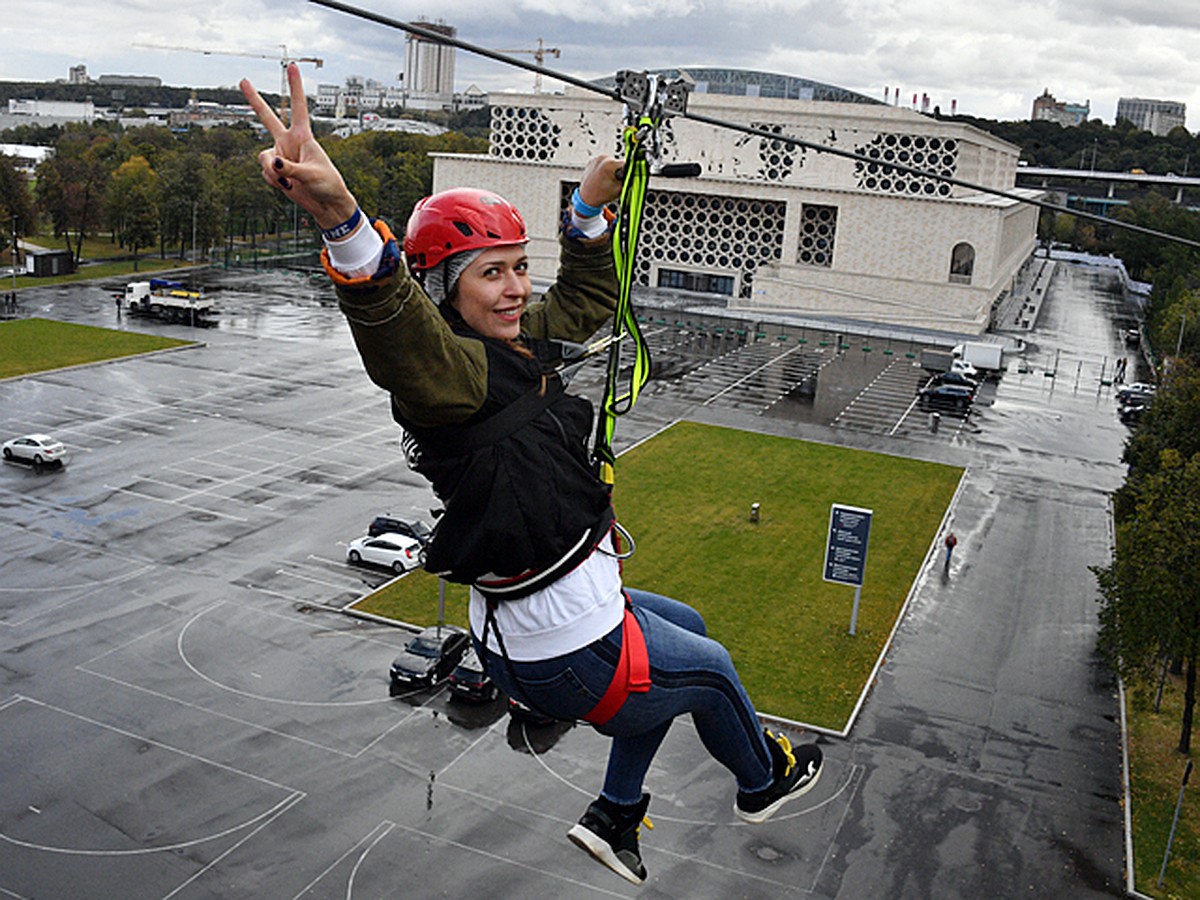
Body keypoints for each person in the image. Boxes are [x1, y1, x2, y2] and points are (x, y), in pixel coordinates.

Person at [242, 64, 822, 887]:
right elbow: (391, 319)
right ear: (446, 287)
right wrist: (341, 217)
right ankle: (765, 782)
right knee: (713, 668)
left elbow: (584, 306)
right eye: (492, 272)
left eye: (520, 265)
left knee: (682, 619)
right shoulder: (448, 376)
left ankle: (616, 816)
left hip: (535, 626)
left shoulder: (505, 351)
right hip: (565, 651)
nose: (516, 287)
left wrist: (588, 209)